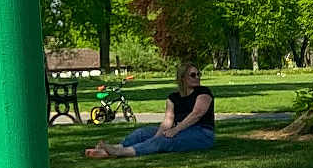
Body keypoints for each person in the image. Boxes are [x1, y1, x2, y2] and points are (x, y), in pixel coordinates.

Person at [85, 63, 216, 158]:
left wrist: (174, 131)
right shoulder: (173, 98)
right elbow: (167, 122)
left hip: (202, 133)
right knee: (142, 133)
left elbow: (196, 114)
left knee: (163, 142)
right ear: (182, 78)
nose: (197, 77)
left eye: (199, 74)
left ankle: (121, 152)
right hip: (178, 129)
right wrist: (158, 134)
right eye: (193, 74)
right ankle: (114, 149)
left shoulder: (204, 92)